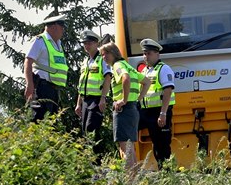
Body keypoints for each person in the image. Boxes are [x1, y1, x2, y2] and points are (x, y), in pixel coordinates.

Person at [98, 42, 150, 173]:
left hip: (124, 110)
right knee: (130, 148)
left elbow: (125, 78)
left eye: (106, 54)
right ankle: (134, 180)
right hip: (133, 109)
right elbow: (147, 82)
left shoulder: (117, 65)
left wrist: (124, 100)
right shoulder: (128, 65)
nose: (104, 57)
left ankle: (128, 181)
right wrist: (137, 99)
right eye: (102, 55)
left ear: (113, 53)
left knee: (124, 148)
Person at [138, 38, 176, 170]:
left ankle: (167, 173)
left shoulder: (164, 69)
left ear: (157, 54)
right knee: (156, 143)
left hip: (159, 112)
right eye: (144, 53)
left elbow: (168, 90)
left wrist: (163, 113)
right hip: (147, 112)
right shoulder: (145, 71)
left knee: (163, 144)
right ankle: (161, 170)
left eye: (149, 53)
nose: (145, 56)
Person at [24, 13, 68, 122]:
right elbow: (28, 62)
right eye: (61, 26)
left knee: (50, 123)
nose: (63, 29)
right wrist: (29, 84)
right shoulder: (40, 41)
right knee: (39, 120)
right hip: (42, 88)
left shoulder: (58, 43)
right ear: (54, 27)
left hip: (53, 89)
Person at [75, 30, 112, 161]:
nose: (86, 46)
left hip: (96, 100)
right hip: (85, 101)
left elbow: (108, 78)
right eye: (84, 43)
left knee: (92, 130)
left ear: (96, 43)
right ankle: (90, 164)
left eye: (89, 43)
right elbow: (82, 85)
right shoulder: (85, 61)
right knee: (85, 133)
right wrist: (78, 103)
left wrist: (103, 98)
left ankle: (97, 164)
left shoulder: (102, 60)